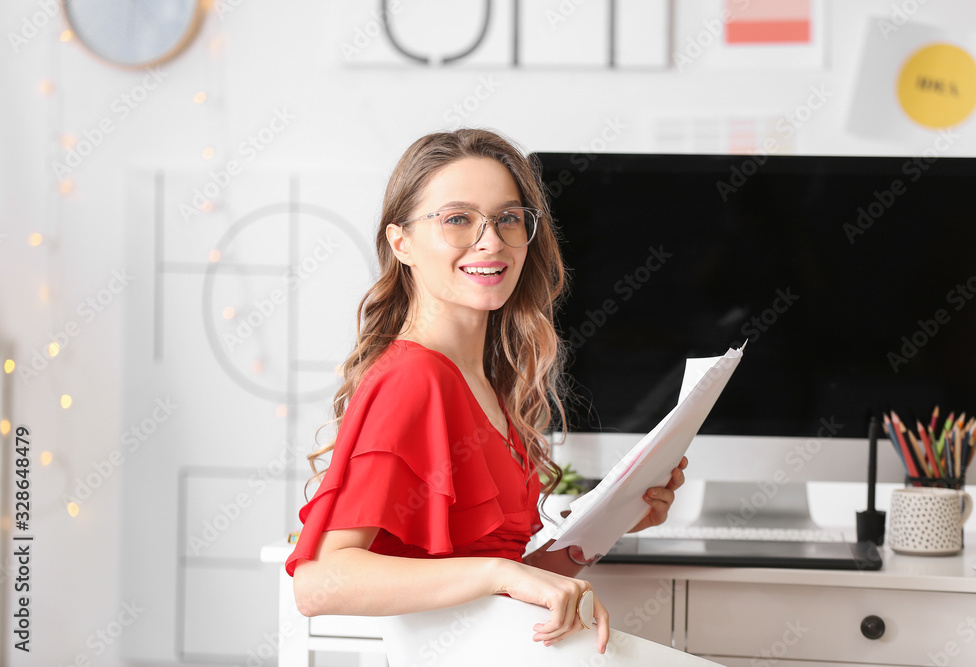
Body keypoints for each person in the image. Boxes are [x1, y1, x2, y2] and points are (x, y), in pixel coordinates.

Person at [285, 128, 688, 656]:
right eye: (457, 219)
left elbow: (485, 578)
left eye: (507, 218)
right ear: (400, 242)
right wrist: (501, 573)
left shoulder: (486, 385)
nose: (491, 240)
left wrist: (613, 520)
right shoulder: (415, 379)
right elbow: (319, 583)